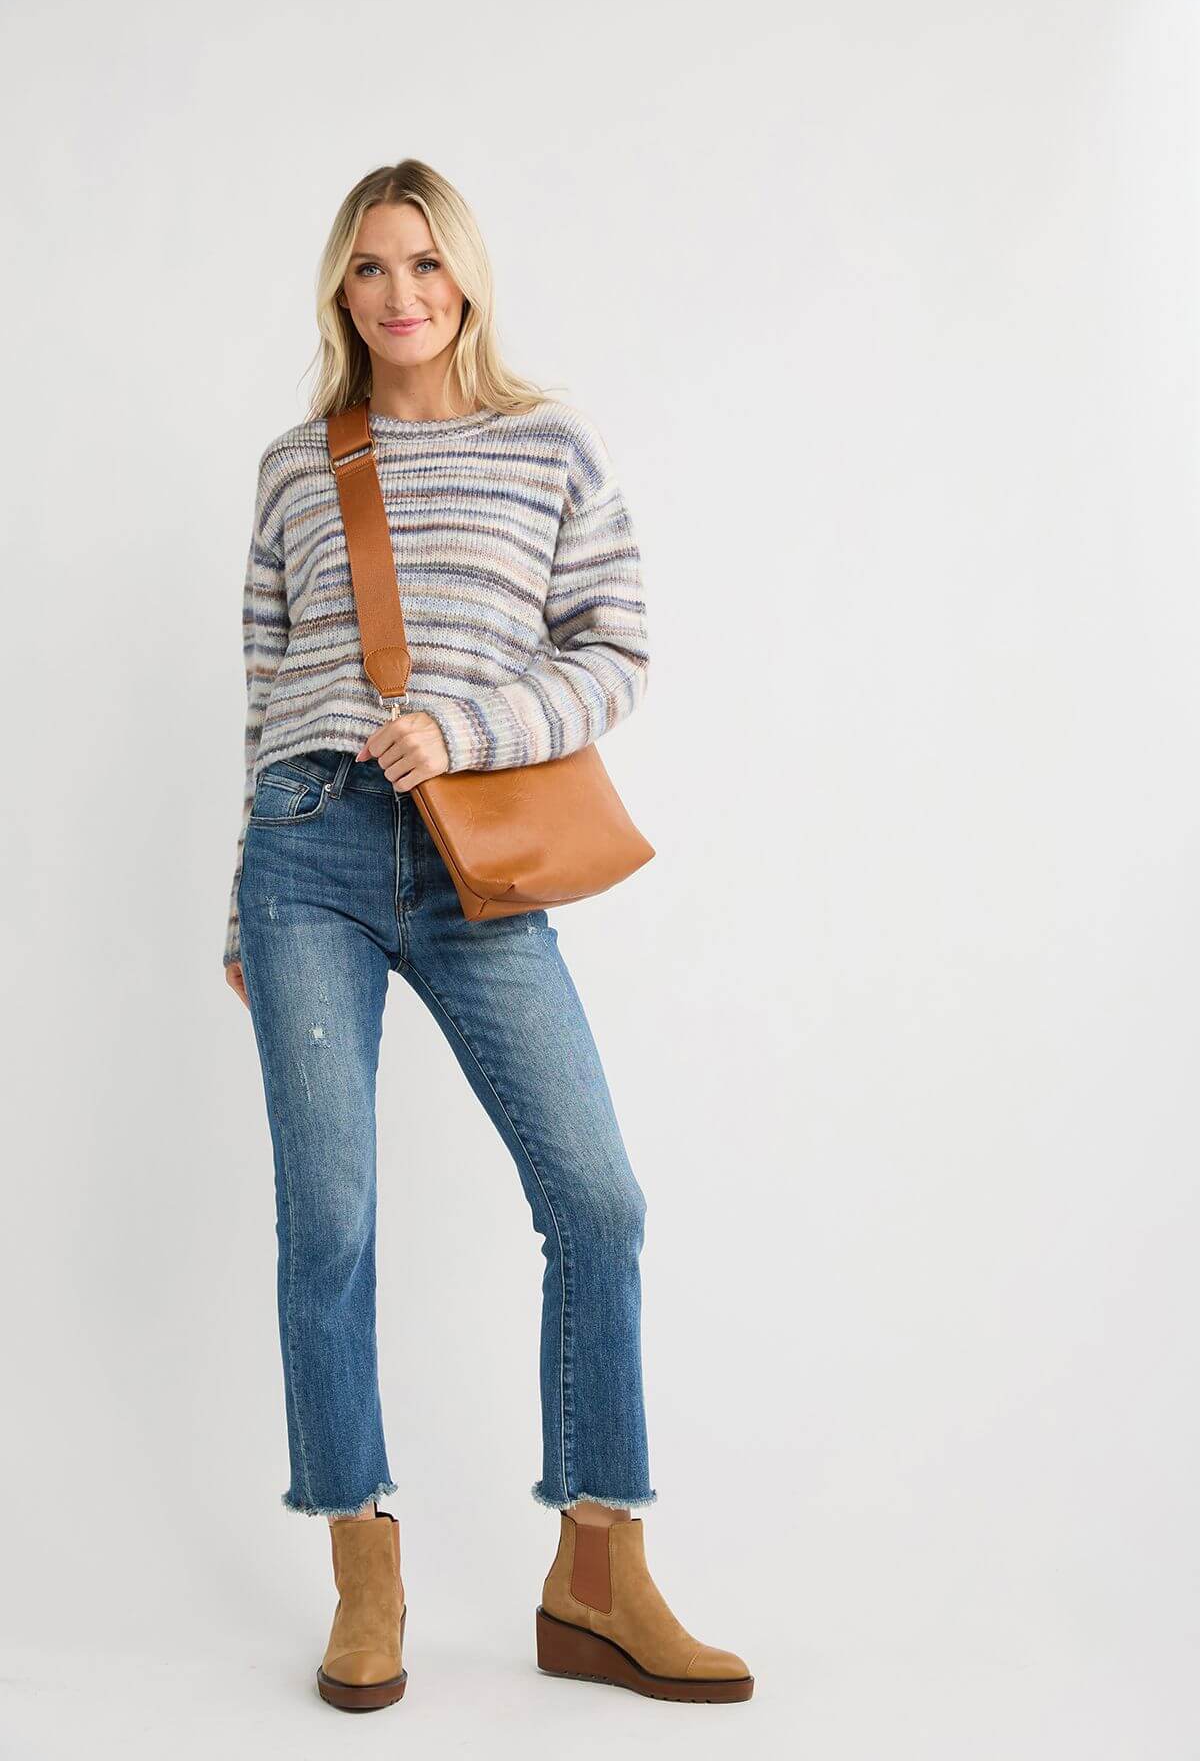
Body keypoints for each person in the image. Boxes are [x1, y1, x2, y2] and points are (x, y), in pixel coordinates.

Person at [222, 157, 753, 1710]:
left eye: (425, 264)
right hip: (308, 848)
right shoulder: (297, 466)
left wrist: (463, 728)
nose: (400, 294)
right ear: (341, 290)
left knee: (597, 1198)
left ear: (467, 279)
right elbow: (265, 687)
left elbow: (615, 653)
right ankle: (363, 1569)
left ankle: (598, 1573)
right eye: (369, 268)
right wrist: (236, 898)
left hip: (480, 861)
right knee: (330, 1221)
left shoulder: (548, 447)